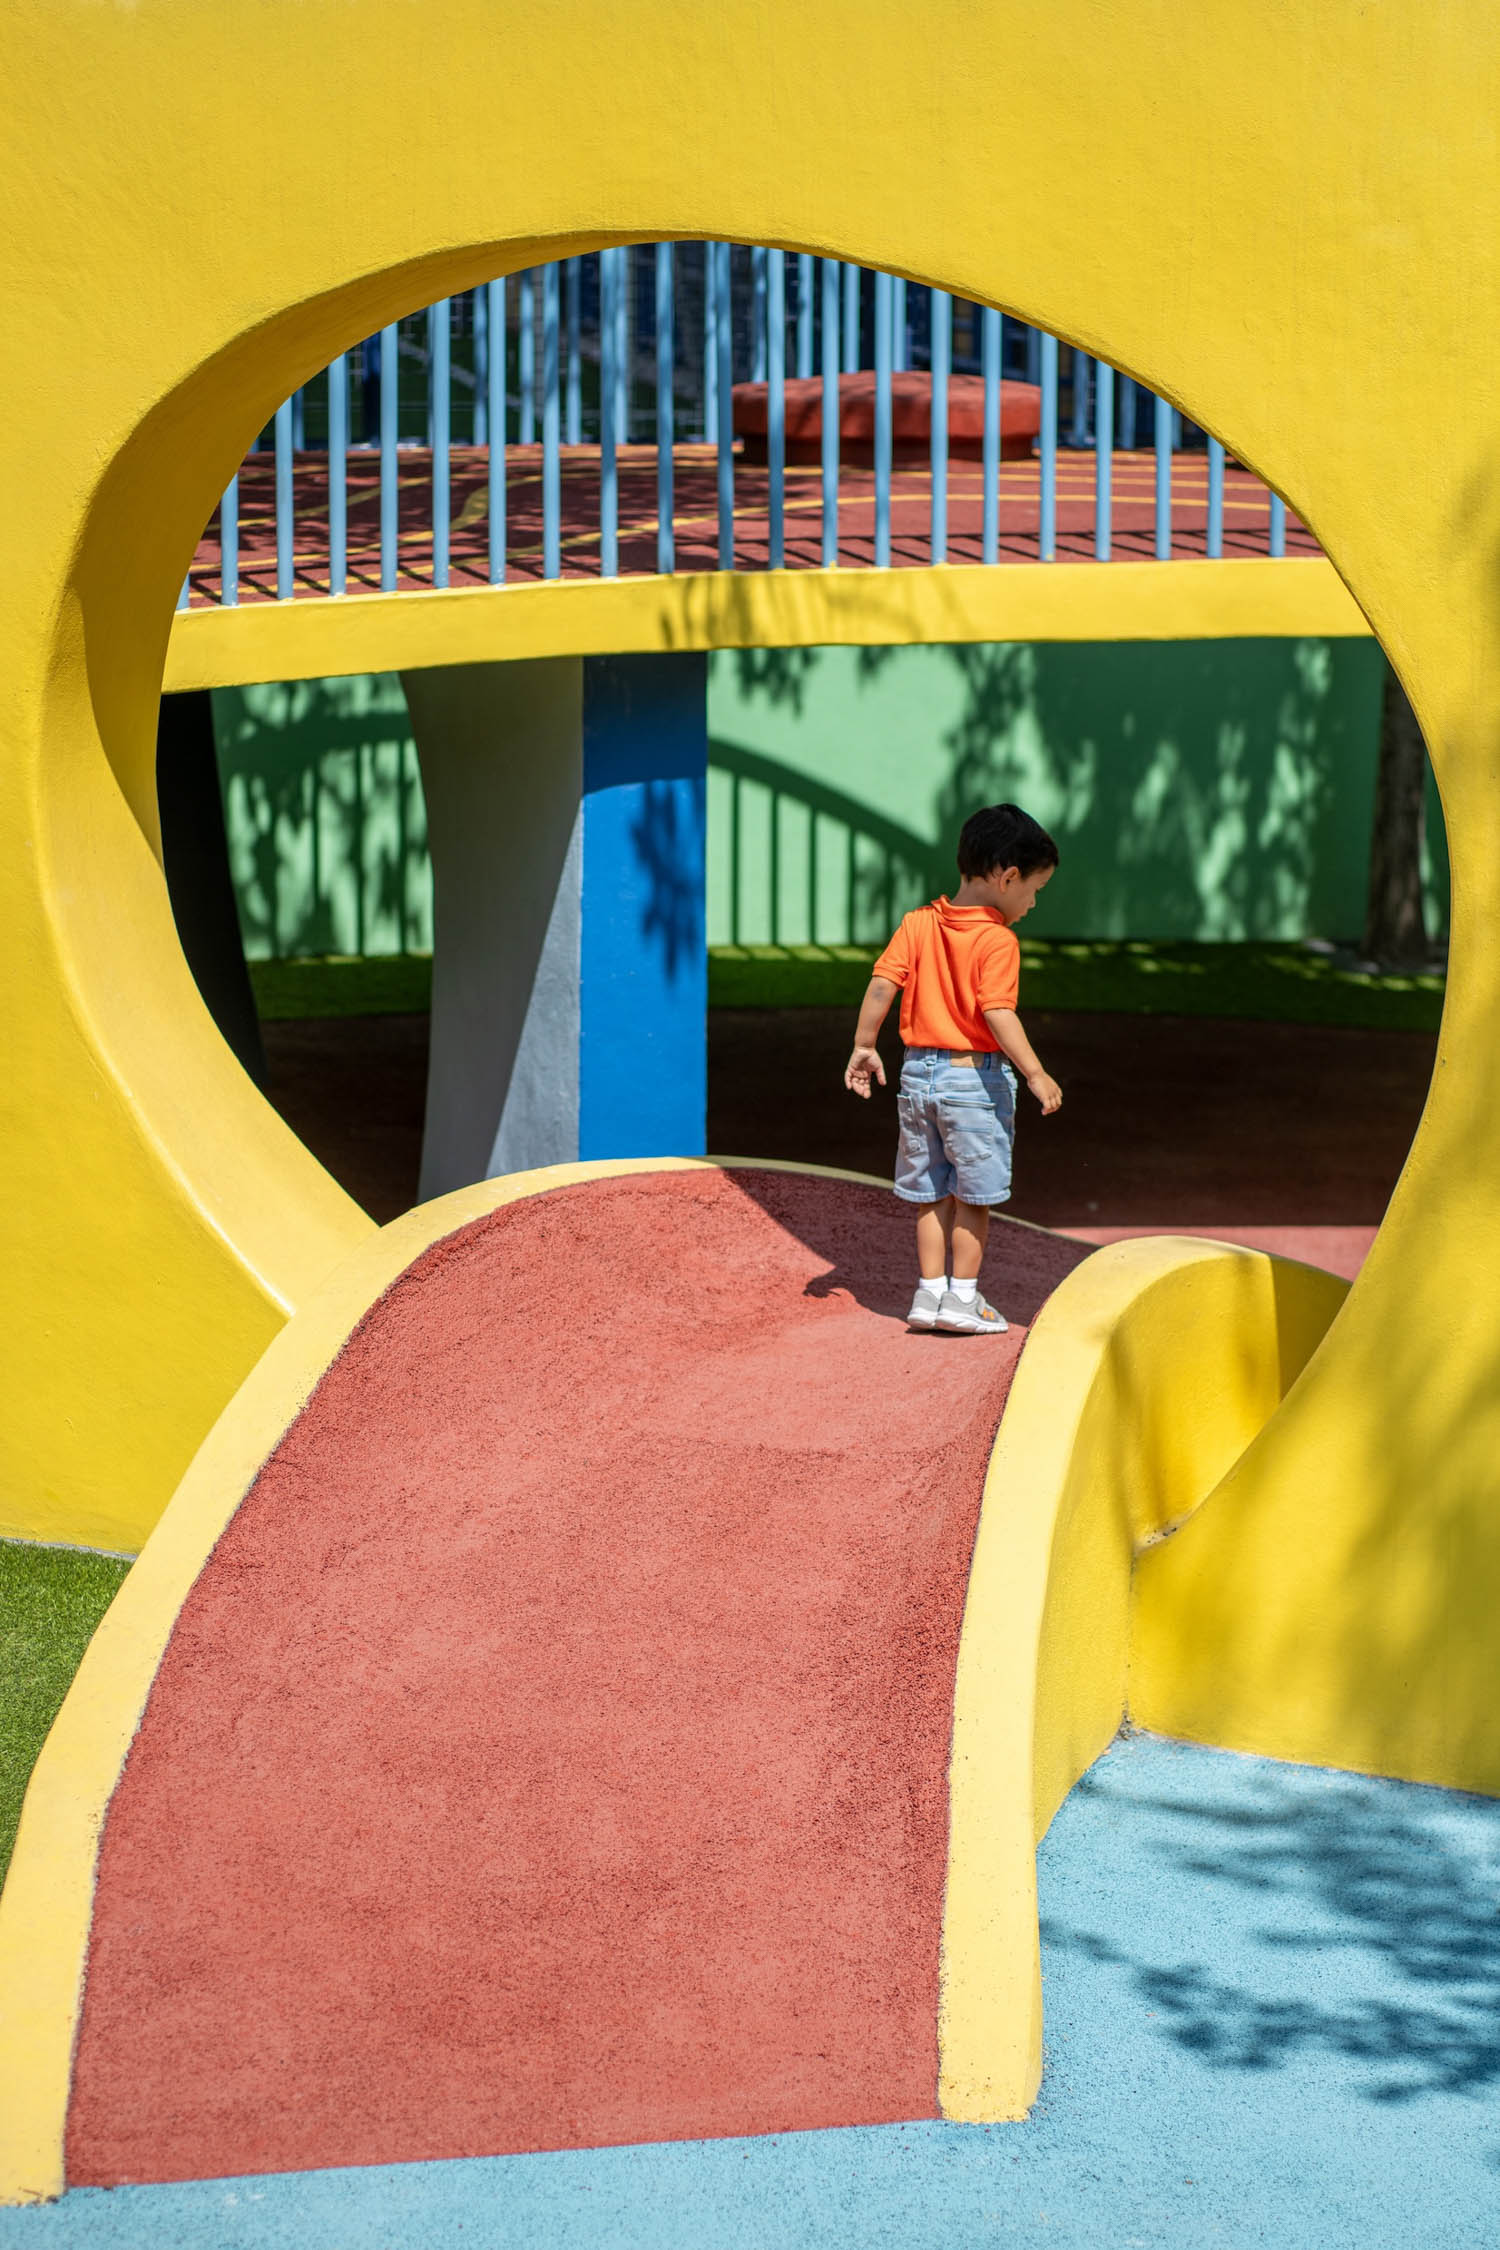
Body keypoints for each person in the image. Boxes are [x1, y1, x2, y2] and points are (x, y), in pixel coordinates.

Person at [843, 802, 1063, 1335]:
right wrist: (1034, 1072)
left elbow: (881, 984)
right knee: (973, 1196)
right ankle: (963, 1299)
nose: (1032, 903)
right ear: (1007, 877)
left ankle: (928, 1293)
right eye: (1034, 890)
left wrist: (864, 1044)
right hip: (974, 1081)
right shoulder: (997, 940)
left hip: (918, 1077)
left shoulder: (917, 924)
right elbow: (997, 1011)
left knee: (928, 1193)